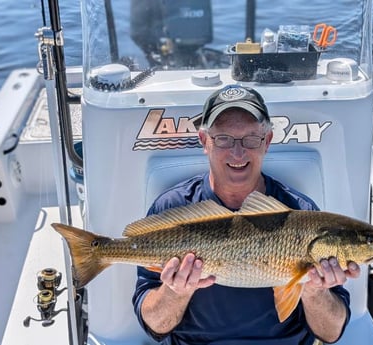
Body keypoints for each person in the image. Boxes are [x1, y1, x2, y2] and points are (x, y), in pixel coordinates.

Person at [132, 84, 361, 344]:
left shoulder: (301, 214)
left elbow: (330, 333)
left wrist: (313, 291)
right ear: (205, 141)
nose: (238, 152)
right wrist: (176, 292)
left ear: (267, 141)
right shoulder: (173, 207)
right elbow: (154, 324)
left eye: (251, 139)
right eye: (224, 139)